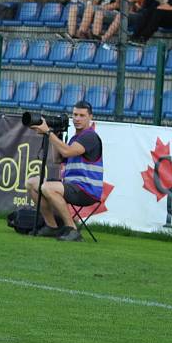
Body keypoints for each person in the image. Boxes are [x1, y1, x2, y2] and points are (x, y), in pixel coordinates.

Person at [25, 100, 103, 242]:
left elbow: (67, 152)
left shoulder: (90, 136)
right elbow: (57, 159)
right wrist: (56, 133)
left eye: (82, 115)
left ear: (90, 117)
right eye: (75, 115)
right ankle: (52, 227)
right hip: (72, 186)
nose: (77, 119)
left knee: (47, 188)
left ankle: (72, 230)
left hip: (87, 190)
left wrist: (48, 132)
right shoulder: (75, 138)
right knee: (32, 183)